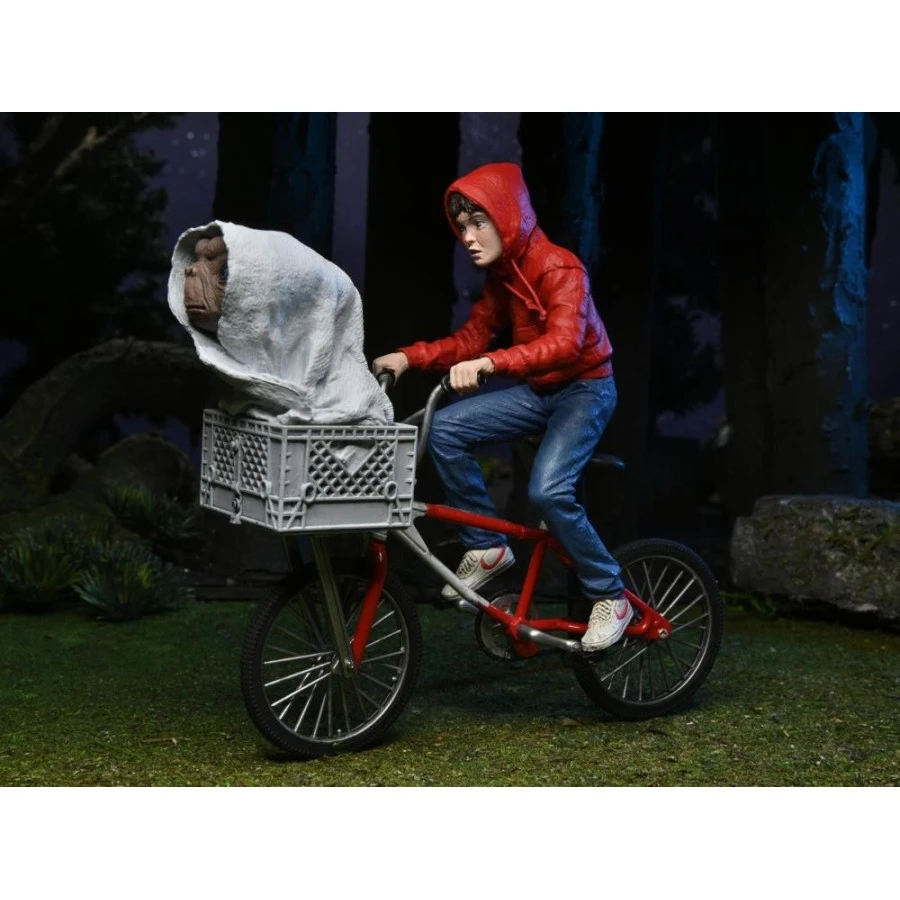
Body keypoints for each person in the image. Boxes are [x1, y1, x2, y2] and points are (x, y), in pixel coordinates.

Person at [373, 162, 630, 652]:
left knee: (548, 491)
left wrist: (492, 362)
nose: (468, 237)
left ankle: (610, 593)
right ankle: (486, 547)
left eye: (478, 222)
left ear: (509, 216)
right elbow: (471, 339)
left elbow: (565, 344)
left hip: (585, 389)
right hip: (541, 391)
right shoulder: (503, 277)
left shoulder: (560, 267)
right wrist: (410, 357)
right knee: (444, 429)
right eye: (462, 227)